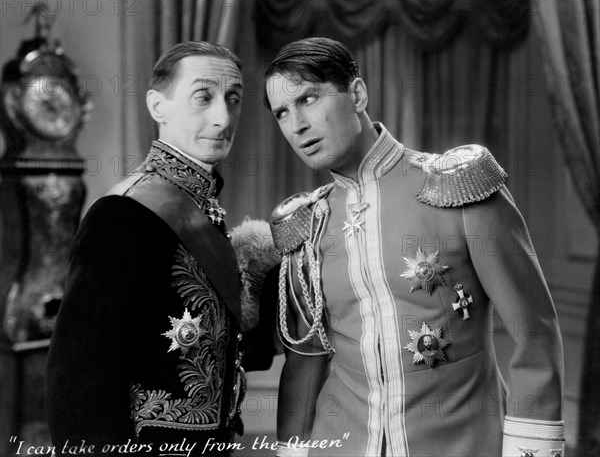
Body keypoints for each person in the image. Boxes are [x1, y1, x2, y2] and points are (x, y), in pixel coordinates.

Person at [264, 37, 565, 457]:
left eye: (309, 98)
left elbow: (535, 333)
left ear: (357, 94)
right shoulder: (306, 227)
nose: (296, 124)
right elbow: (307, 363)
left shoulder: (457, 188)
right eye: (281, 112)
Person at [46, 41, 277, 456]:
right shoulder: (122, 213)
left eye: (234, 99)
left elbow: (231, 351)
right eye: (203, 97)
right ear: (158, 106)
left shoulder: (206, 208)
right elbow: (78, 376)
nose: (223, 117)